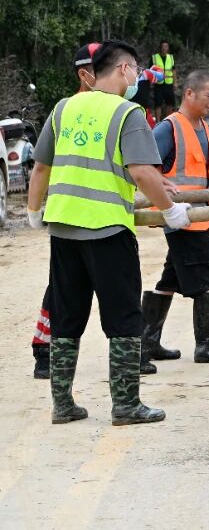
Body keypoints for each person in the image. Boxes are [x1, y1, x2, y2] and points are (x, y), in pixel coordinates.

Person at [26, 41, 192, 425]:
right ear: (121, 69)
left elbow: (40, 168)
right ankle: (126, 405)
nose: (137, 77)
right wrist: (170, 211)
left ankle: (63, 405)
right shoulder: (127, 112)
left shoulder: (64, 108)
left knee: (66, 317)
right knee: (122, 318)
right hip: (107, 230)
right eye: (135, 69)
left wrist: (35, 213)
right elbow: (141, 171)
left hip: (64, 229)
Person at [142, 70, 209, 364]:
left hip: (198, 217)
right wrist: (164, 195)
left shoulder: (202, 128)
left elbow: (200, 178)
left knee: (170, 279)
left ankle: (147, 343)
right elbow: (145, 169)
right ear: (189, 94)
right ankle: (207, 346)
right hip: (180, 219)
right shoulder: (169, 128)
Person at [29, 43, 99, 380]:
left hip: (105, 214)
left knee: (113, 287)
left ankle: (135, 352)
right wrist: (32, 208)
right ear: (84, 74)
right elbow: (42, 166)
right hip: (70, 213)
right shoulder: (65, 110)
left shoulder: (118, 109)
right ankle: (45, 349)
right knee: (62, 287)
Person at [152, 40, 176, 118]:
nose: (164, 48)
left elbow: (174, 70)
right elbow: (150, 70)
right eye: (162, 46)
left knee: (170, 103)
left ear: (168, 48)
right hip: (158, 83)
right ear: (160, 48)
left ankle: (167, 120)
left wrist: (175, 82)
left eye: (166, 46)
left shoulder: (171, 57)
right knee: (158, 104)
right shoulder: (155, 57)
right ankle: (158, 122)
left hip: (169, 83)